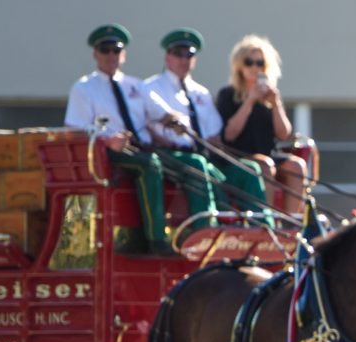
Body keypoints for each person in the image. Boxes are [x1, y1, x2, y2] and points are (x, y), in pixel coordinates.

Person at [144, 28, 269, 228]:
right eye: (178, 54)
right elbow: (150, 127)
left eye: (189, 55)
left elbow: (214, 134)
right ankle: (208, 227)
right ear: (168, 56)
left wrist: (213, 143)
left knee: (250, 169)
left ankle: (263, 228)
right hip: (173, 158)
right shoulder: (152, 88)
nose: (184, 59)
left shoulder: (200, 93)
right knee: (199, 166)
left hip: (205, 158)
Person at [64, 24, 171, 253]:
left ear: (123, 54)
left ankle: (204, 232)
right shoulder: (84, 88)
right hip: (107, 153)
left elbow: (160, 113)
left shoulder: (135, 85)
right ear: (95, 54)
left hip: (141, 147)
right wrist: (108, 140)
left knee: (194, 166)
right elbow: (74, 131)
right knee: (149, 166)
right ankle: (156, 240)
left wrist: (174, 120)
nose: (111, 55)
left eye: (116, 50)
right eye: (105, 49)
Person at [216, 34, 306, 215]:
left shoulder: (269, 97)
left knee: (297, 166)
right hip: (240, 157)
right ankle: (266, 221)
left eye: (260, 63)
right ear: (240, 67)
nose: (255, 68)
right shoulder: (228, 95)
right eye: (249, 62)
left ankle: (291, 222)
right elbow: (229, 135)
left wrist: (276, 104)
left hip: (269, 155)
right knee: (264, 165)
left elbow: (283, 134)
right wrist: (249, 100)